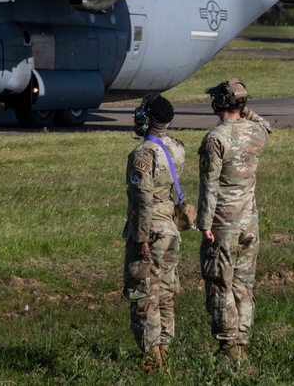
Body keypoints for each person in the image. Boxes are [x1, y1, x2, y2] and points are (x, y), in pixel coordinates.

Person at [197, 78, 272, 365]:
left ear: (218, 104)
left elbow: (209, 187)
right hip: (249, 222)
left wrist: (204, 225)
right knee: (244, 285)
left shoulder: (215, 138)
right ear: (242, 104)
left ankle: (229, 349)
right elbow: (266, 124)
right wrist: (243, 104)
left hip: (223, 225)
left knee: (220, 285)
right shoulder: (256, 131)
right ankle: (242, 341)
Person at [122, 93, 185, 372]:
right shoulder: (176, 147)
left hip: (152, 230)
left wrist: (141, 237)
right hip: (170, 228)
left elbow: (143, 198)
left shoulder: (142, 154)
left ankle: (152, 359)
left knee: (144, 294)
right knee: (165, 292)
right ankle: (164, 351)